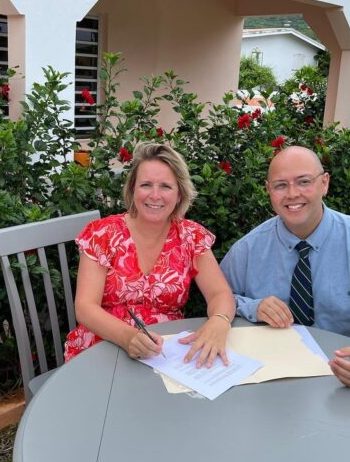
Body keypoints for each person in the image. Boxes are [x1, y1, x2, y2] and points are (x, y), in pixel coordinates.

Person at [220, 146, 350, 388]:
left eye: (304, 181)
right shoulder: (247, 249)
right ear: (268, 190)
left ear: (324, 183)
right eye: (280, 185)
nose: (292, 194)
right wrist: (254, 307)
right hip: (270, 375)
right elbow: (219, 300)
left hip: (342, 371)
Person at [65, 142, 236, 367]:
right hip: (102, 344)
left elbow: (219, 293)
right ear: (133, 189)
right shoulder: (103, 234)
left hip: (165, 353)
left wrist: (219, 321)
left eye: (165, 186)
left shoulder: (190, 237)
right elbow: (85, 307)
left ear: (179, 194)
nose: (155, 195)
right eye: (146, 185)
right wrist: (127, 337)